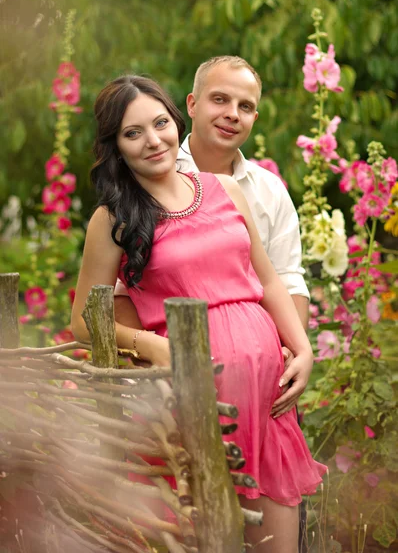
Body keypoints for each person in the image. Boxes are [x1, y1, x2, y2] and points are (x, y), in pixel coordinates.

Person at [71, 75, 327, 553]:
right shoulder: (113, 220)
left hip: (267, 404)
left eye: (161, 123)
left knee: (278, 545)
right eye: (133, 133)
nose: (153, 140)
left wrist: (305, 349)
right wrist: (152, 345)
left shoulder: (226, 189)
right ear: (116, 147)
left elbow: (269, 280)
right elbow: (84, 321)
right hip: (188, 409)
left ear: (176, 120)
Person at [113, 56, 310, 420]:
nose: (232, 114)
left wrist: (290, 351)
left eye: (246, 106)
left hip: (263, 380)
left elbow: (285, 279)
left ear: (255, 119)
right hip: (177, 387)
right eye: (219, 99)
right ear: (191, 104)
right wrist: (150, 367)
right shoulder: (149, 172)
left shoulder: (270, 191)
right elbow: (119, 290)